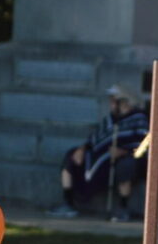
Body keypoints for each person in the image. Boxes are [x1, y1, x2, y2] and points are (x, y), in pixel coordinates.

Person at [54, 85, 148, 220]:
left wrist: (123, 151)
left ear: (123, 102)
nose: (111, 103)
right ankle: (68, 203)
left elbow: (143, 143)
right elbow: (95, 139)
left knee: (127, 165)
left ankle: (123, 208)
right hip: (103, 156)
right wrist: (83, 148)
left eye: (114, 100)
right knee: (72, 155)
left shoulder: (139, 118)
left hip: (128, 157)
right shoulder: (110, 120)